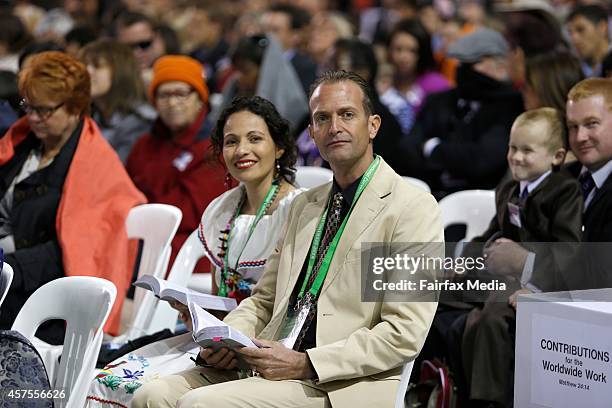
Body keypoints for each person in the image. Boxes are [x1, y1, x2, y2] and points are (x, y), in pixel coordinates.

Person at [131, 70, 443, 408]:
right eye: (322, 118)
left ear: (373, 126)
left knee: (200, 404)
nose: (334, 127)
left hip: (336, 382)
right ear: (311, 132)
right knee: (152, 395)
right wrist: (226, 340)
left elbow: (403, 333)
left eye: (347, 115)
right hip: (268, 360)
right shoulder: (306, 206)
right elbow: (264, 300)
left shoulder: (412, 208)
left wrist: (307, 362)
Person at [86, 95, 304, 407]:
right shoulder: (223, 210)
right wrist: (198, 315)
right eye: (231, 141)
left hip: (263, 345)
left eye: (255, 139)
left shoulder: (296, 210)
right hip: (217, 343)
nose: (242, 150)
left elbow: (289, 304)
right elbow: (222, 293)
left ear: (279, 146)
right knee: (109, 379)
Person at [0, 51, 145, 344]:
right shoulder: (23, 142)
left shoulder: (96, 164)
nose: (33, 118)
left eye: (44, 110)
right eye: (28, 107)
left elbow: (73, 251)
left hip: (43, 293)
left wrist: (8, 266)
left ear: (76, 107)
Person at [460, 108, 583, 407]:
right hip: (501, 279)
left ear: (556, 157)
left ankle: (488, 400)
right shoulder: (509, 188)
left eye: (527, 150)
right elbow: (492, 233)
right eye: (513, 148)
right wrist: (462, 261)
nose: (516, 157)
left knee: (487, 318)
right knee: (435, 294)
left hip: (540, 286)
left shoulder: (565, 192)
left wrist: (538, 288)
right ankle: (440, 384)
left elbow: (568, 251)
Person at [126, 55, 226, 274]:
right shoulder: (144, 144)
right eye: (164, 95)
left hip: (188, 253)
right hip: (141, 242)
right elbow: (125, 192)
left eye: (181, 93)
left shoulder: (215, 149)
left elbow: (188, 214)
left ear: (200, 99)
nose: (172, 103)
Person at [400, 28, 523, 197]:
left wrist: (432, 148)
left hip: (479, 200)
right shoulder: (438, 101)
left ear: (500, 66)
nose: (464, 71)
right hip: (430, 195)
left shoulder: (510, 106)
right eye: (462, 64)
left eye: (474, 63)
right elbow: (408, 148)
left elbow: (482, 160)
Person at [80, 39, 155, 163]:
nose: (88, 72)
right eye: (85, 65)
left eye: (97, 66)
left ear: (119, 71)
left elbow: (116, 169)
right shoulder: (91, 117)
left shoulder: (139, 122)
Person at [380, 18, 450, 136]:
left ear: (422, 52)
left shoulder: (438, 85)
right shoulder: (381, 85)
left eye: (412, 51)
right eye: (398, 49)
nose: (403, 57)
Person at [566, 4, 610, 78]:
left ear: (602, 27)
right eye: (570, 33)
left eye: (581, 29)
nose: (574, 38)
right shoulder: (572, 71)